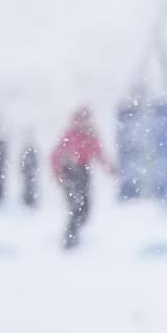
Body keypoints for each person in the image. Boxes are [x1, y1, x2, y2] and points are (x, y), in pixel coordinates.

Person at [50, 107, 117, 250]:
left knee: (85, 209)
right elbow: (55, 156)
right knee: (75, 207)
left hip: (84, 174)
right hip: (70, 174)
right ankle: (70, 239)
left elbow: (100, 156)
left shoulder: (92, 137)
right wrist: (59, 175)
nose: (83, 123)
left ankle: (74, 235)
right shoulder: (70, 136)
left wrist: (111, 170)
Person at [20, 131, 39, 209]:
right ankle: (28, 200)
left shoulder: (30, 151)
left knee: (30, 187)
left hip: (30, 173)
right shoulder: (30, 151)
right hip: (29, 173)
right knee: (28, 186)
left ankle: (29, 200)